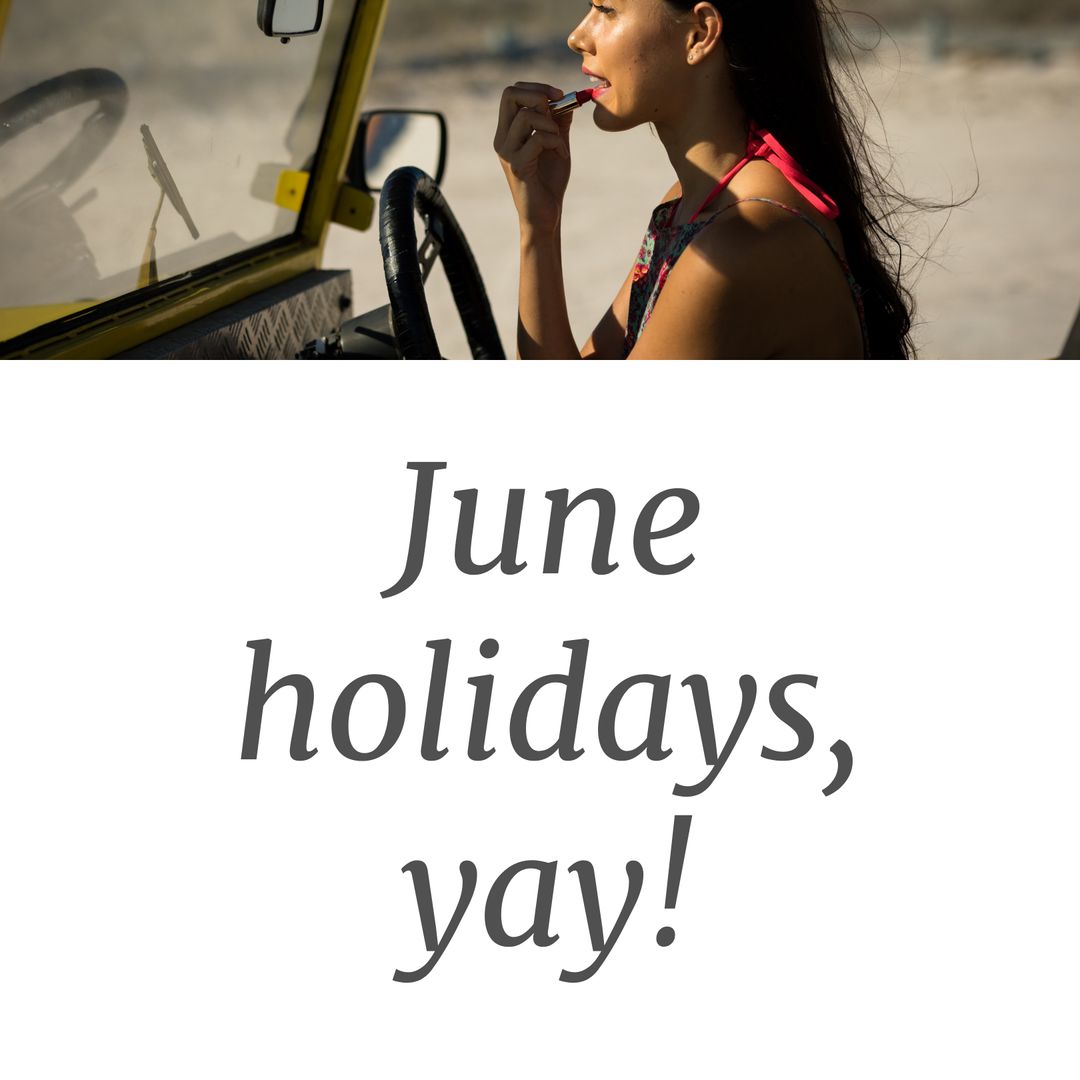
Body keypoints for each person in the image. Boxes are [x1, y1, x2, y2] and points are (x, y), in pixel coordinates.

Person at [494, 0, 914, 359]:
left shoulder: (741, 243)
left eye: (607, 9)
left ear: (700, 33)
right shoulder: (690, 204)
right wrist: (539, 226)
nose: (577, 36)